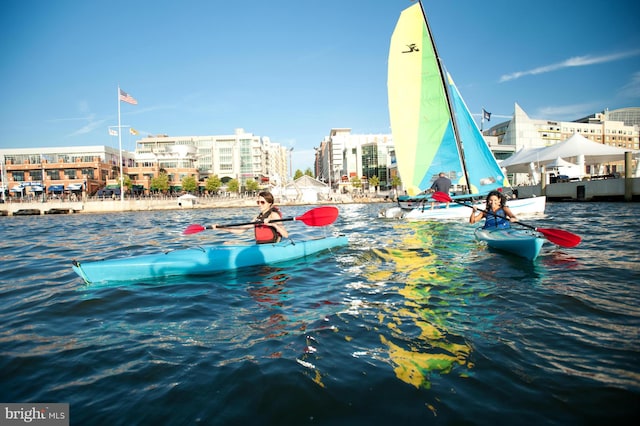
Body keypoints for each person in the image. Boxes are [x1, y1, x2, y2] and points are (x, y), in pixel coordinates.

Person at [211, 191, 288, 244]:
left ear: (269, 203)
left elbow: (285, 235)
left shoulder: (273, 215)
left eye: (262, 202)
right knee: (227, 243)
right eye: (258, 202)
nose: (259, 204)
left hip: (272, 245)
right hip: (259, 245)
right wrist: (220, 228)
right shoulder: (257, 218)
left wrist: (273, 224)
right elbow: (240, 231)